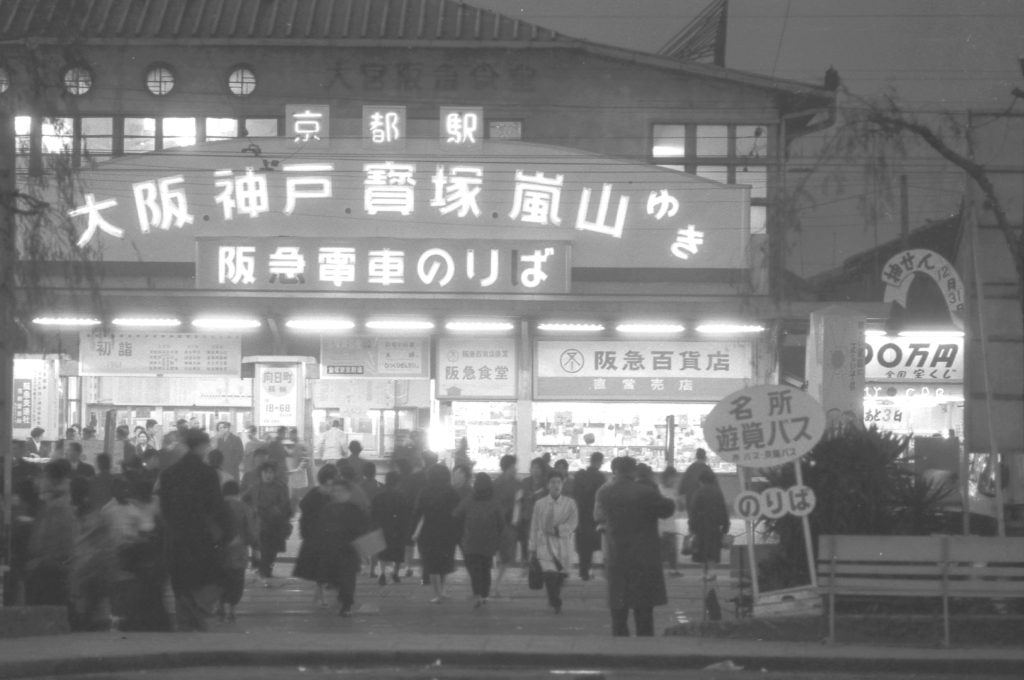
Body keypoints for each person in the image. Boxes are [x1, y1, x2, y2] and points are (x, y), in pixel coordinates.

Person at [157, 428, 233, 632]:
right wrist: (227, 534)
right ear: (201, 446)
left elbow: (164, 511)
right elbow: (217, 508)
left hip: (176, 541)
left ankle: (186, 631)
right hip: (200, 540)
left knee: (181, 589)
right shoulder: (207, 474)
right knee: (200, 587)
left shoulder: (169, 474)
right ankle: (197, 631)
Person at [595, 456, 676, 637]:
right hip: (644, 559)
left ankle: (620, 652)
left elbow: (599, 516)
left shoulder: (605, 493)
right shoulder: (646, 492)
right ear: (633, 471)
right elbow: (667, 508)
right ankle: (645, 654)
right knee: (644, 613)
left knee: (619, 613)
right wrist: (654, 488)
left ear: (616, 470)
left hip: (617, 558)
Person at [26, 460, 76, 611]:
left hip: (52, 569)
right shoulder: (60, 502)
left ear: (54, 479)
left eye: (44, 476)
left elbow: (54, 542)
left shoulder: (58, 507)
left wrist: (40, 560)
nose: (41, 481)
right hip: (56, 566)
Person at [317, 480, 370, 616]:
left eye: (341, 491)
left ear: (348, 493)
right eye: (335, 491)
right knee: (336, 577)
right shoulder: (327, 509)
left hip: (349, 551)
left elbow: (363, 530)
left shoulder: (355, 510)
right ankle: (343, 597)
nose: (338, 494)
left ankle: (347, 603)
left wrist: (365, 552)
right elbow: (321, 530)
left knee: (348, 577)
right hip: (332, 549)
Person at [529, 470, 578, 615]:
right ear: (547, 485)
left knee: (559, 578)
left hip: (562, 545)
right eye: (552, 482)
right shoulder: (540, 504)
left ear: (563, 485)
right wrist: (531, 547)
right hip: (544, 545)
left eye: (558, 482)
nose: (556, 485)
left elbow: (573, 523)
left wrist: (558, 530)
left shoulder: (570, 504)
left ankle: (553, 598)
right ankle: (556, 601)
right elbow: (534, 526)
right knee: (550, 575)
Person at [412, 464, 462, 603]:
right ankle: (443, 590)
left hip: (428, 531)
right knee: (444, 562)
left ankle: (437, 593)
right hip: (447, 530)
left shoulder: (425, 491)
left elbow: (417, 511)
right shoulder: (451, 491)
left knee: (431, 563)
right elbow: (458, 511)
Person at [454, 472, 505, 608]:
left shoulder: (469, 499)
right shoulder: (495, 501)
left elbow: (457, 514)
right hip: (489, 541)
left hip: (470, 540)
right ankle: (484, 595)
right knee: (486, 568)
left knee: (475, 570)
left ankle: (477, 594)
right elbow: (501, 521)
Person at [294, 463, 340, 604]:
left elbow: (303, 508)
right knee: (323, 565)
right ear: (329, 480)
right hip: (320, 536)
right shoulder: (329, 496)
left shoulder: (316, 493)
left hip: (317, 536)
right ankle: (321, 593)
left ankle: (319, 592)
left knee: (321, 566)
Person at [243, 461, 293, 585]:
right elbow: (244, 499)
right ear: (261, 473)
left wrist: (277, 510)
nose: (268, 475)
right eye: (266, 472)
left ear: (274, 474)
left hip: (276, 523)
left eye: (271, 472)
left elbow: (285, 505)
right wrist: (252, 510)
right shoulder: (255, 487)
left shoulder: (280, 487)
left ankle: (266, 571)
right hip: (261, 523)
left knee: (272, 549)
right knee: (264, 548)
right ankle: (263, 572)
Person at [218, 480, 258, 623]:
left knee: (221, 580)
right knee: (236, 582)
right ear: (238, 492)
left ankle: (221, 605)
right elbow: (252, 532)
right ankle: (232, 609)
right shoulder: (245, 508)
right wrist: (255, 548)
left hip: (220, 553)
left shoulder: (217, 507)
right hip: (239, 553)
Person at [370, 470, 412, 586]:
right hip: (398, 529)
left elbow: (373, 513)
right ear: (398, 483)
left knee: (383, 552)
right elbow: (406, 514)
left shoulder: (378, 496)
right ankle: (395, 573)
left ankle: (382, 574)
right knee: (398, 551)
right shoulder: (402, 496)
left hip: (383, 527)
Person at [688, 469, 730, 569]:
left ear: (701, 481)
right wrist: (725, 527)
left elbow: (693, 511)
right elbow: (723, 510)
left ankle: (705, 575)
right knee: (712, 554)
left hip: (700, 528)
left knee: (702, 554)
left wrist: (691, 527)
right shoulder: (718, 492)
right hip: (715, 528)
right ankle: (712, 575)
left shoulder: (698, 492)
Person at [572, 451, 606, 580]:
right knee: (591, 544)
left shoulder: (580, 475)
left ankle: (583, 570)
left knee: (582, 545)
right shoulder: (600, 477)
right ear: (599, 462)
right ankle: (588, 569)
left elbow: (575, 494)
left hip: (581, 514)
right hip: (593, 515)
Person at [491, 454, 519, 596]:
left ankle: (495, 585)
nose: (516, 469)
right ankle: (495, 585)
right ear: (508, 467)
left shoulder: (510, 482)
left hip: (506, 524)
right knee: (503, 556)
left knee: (504, 556)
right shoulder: (501, 483)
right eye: (514, 466)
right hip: (502, 524)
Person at [517, 457, 549, 562]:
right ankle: (526, 562)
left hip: (542, 518)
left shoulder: (547, 484)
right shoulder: (525, 482)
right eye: (533, 467)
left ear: (542, 470)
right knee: (526, 540)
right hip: (527, 517)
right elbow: (520, 499)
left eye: (538, 468)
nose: (535, 470)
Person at [658, 466, 683, 575]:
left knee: (672, 549)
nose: (674, 480)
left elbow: (678, 507)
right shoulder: (659, 490)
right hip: (661, 525)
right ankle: (661, 570)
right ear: (667, 477)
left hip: (671, 524)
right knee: (661, 549)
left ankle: (673, 569)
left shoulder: (673, 491)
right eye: (673, 478)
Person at [677, 448, 714, 514]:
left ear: (696, 457)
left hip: (691, 501)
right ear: (705, 457)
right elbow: (714, 487)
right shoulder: (707, 469)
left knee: (693, 522)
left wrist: (680, 497)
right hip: (705, 502)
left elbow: (682, 487)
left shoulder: (690, 468)